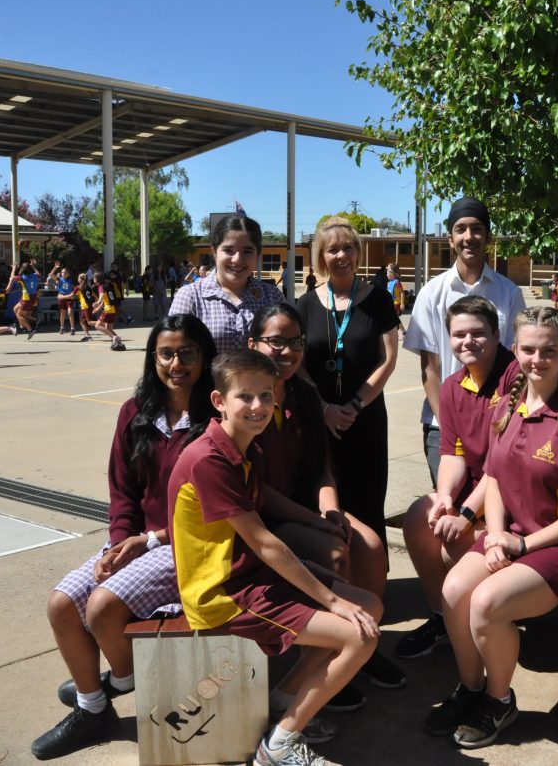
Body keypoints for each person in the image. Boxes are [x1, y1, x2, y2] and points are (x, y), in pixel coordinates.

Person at [168, 349, 382, 766]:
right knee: (360, 633)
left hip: (251, 574)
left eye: (266, 396)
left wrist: (316, 521)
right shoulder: (208, 458)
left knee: (369, 605)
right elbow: (265, 542)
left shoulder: (245, 446)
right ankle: (281, 743)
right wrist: (331, 600)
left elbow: (264, 497)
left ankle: (280, 707)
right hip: (223, 592)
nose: (258, 407)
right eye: (245, 397)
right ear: (219, 401)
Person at [30, 315, 219, 760]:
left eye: (188, 353)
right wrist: (119, 544)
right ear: (153, 358)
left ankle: (123, 676)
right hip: (139, 541)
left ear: (205, 356)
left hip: (190, 545)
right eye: (166, 353)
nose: (177, 363)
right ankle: (94, 708)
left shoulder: (217, 418)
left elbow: (219, 505)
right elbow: (123, 492)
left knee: (102, 608)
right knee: (62, 603)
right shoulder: (134, 413)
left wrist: (149, 541)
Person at [427, 306, 558, 749]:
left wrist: (522, 542)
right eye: (528, 348)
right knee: (454, 592)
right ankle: (471, 689)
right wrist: (494, 535)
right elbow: (492, 477)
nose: (537, 359)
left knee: (488, 603)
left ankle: (499, 699)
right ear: (516, 349)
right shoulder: (509, 404)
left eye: (549, 350)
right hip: (515, 536)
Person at [247, 303, 401, 704]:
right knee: (334, 553)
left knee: (368, 545)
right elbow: (257, 490)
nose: (286, 351)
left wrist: (331, 511)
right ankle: (324, 668)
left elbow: (322, 469)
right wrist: (317, 523)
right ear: (253, 344)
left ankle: (361, 649)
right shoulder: (247, 400)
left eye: (294, 342)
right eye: (275, 341)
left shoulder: (303, 395)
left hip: (306, 509)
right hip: (262, 517)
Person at [397, 296, 515, 660]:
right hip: (475, 490)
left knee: (453, 546)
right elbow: (453, 452)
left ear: (497, 336)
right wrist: (447, 496)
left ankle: (485, 621)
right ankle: (443, 619)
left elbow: (503, 464)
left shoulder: (515, 377)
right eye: (459, 334)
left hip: (511, 496)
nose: (468, 341)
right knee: (421, 516)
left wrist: (465, 513)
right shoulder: (451, 386)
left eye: (478, 333)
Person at [404, 196, 526, 488]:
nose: (468, 237)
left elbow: (518, 366)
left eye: (477, 229)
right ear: (450, 239)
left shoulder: (509, 294)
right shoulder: (431, 293)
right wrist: (449, 427)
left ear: (488, 237)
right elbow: (430, 370)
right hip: (442, 426)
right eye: (460, 229)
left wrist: (505, 422)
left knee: (494, 515)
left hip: (499, 426)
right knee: (450, 508)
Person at [297, 217, 400, 546]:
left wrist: (355, 405)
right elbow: (296, 364)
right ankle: (335, 576)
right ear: (320, 257)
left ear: (358, 252)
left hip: (365, 418)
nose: (341, 255)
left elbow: (388, 358)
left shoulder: (379, 300)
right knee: (325, 501)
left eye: (348, 247)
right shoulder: (305, 305)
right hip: (320, 421)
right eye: (332, 249)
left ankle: (372, 581)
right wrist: (324, 408)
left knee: (367, 498)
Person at [170, 215, 286, 353]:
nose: (237, 260)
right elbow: (172, 351)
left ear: (258, 254)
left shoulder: (273, 297)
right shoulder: (190, 297)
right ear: (214, 251)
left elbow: (289, 347)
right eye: (228, 250)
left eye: (247, 251)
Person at [93, 273, 125, 351]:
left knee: (97, 326)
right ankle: (119, 343)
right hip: (113, 309)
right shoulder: (107, 285)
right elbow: (106, 299)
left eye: (94, 278)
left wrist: (98, 302)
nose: (93, 279)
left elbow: (102, 295)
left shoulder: (101, 286)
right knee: (108, 327)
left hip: (108, 309)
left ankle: (114, 337)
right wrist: (98, 309)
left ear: (97, 279)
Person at [14, 261, 43, 339]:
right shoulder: (35, 275)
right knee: (15, 309)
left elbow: (13, 277)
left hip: (27, 298)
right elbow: (39, 273)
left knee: (19, 315)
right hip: (32, 296)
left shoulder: (23, 277)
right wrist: (33, 266)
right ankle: (23, 326)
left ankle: (30, 329)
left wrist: (14, 268)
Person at [48, 262, 76, 335]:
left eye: (65, 272)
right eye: (62, 272)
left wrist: (73, 293)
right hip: (62, 297)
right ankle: (62, 328)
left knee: (70, 312)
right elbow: (51, 275)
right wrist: (55, 267)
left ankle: (72, 328)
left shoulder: (71, 280)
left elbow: (75, 288)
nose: (63, 273)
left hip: (69, 297)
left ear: (68, 274)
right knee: (62, 313)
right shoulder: (59, 279)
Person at [74, 273, 95, 341]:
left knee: (89, 322)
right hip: (88, 306)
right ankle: (88, 336)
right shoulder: (89, 288)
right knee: (82, 320)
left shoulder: (79, 287)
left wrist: (61, 297)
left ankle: (104, 324)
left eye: (78, 278)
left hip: (86, 306)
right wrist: (96, 303)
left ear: (81, 280)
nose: (78, 279)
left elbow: (71, 296)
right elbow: (96, 296)